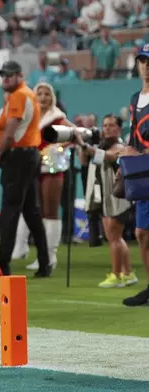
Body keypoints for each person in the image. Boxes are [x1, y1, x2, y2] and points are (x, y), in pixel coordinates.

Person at [0, 61, 50, 278]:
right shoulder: (24, 94)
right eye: (3, 75)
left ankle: (3, 263)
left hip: (18, 157)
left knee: (10, 210)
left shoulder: (18, 95)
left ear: (19, 76)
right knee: (31, 212)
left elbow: (11, 129)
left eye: (9, 75)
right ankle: (45, 263)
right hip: (28, 155)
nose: (5, 79)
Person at [11, 83, 73, 271]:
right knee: (33, 210)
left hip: (52, 168)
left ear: (52, 97)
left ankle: (50, 255)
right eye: (40, 93)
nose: (43, 97)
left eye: (47, 94)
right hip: (33, 168)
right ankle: (32, 251)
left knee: (50, 211)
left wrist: (57, 148)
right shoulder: (32, 116)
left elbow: (73, 134)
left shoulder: (58, 117)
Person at [78, 114, 137, 288]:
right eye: (105, 126)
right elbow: (84, 161)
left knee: (114, 238)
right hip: (105, 198)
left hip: (117, 198)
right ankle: (128, 273)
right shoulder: (101, 146)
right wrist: (83, 147)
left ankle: (115, 275)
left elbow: (109, 157)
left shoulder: (121, 146)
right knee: (115, 237)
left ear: (119, 128)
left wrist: (82, 143)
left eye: (111, 125)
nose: (107, 128)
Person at [122, 45, 149, 306]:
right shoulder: (134, 99)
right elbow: (133, 135)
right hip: (143, 170)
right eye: (143, 61)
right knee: (142, 233)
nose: (147, 66)